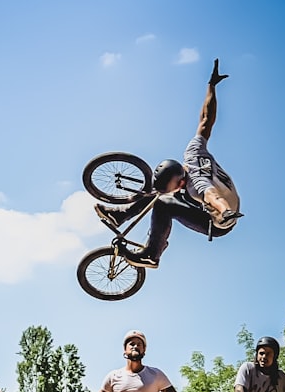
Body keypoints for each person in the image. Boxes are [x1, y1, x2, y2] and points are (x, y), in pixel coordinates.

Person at [94, 59, 242, 268]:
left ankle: (152, 254)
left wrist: (225, 211)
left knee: (164, 203)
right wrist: (211, 86)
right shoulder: (193, 152)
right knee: (161, 194)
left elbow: (212, 196)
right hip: (217, 198)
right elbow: (206, 119)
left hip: (219, 221)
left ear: (182, 182)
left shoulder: (196, 185)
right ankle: (120, 215)